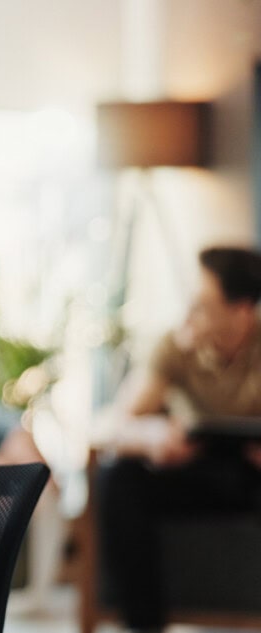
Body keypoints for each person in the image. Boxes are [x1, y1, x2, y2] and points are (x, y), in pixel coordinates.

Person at [99, 246, 261, 633]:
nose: (189, 314)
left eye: (203, 305)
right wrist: (153, 437)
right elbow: (115, 424)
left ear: (241, 311)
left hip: (253, 474)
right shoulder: (176, 344)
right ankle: (144, 625)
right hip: (196, 466)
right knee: (119, 477)